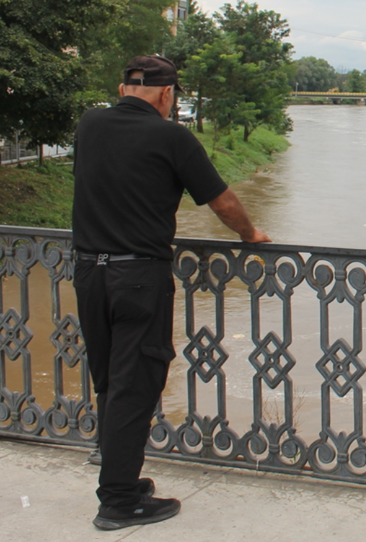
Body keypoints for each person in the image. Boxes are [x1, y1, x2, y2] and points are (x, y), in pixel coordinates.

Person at [72, 55, 270, 530]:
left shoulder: (89, 125)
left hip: (88, 272)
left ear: (123, 89)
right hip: (137, 279)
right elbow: (221, 201)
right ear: (167, 94)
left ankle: (122, 480)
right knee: (134, 386)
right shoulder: (171, 136)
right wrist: (250, 235)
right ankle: (119, 501)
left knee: (109, 382)